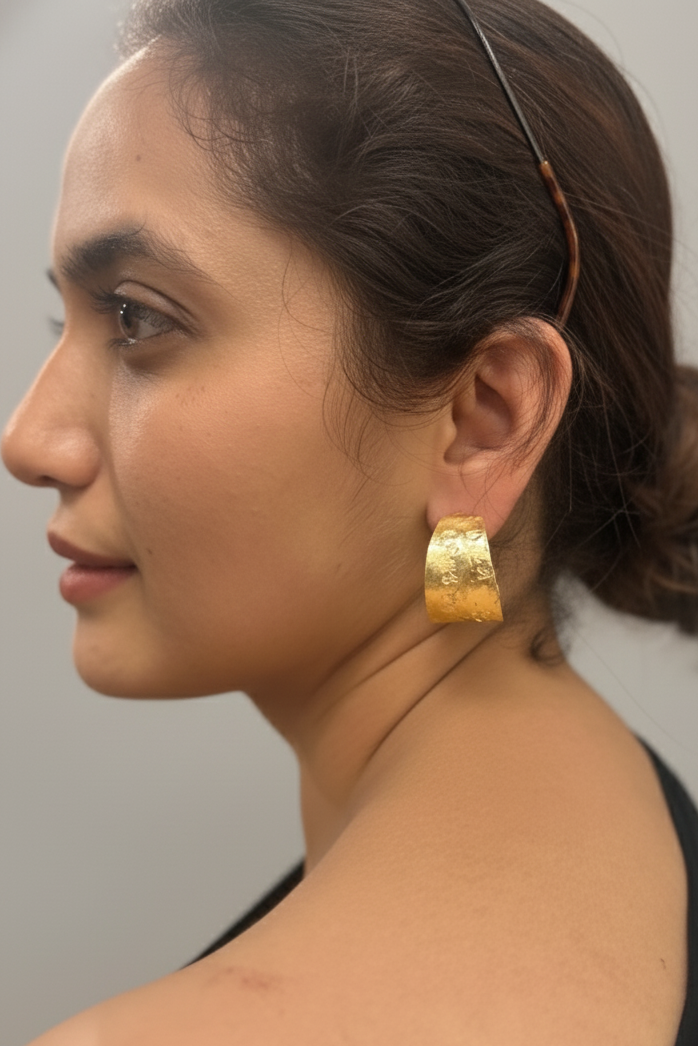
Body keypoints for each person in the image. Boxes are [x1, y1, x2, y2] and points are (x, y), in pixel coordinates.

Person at [2, 0, 698, 1041]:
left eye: (138, 318)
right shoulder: (628, 818)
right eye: (67, 319)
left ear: (483, 423)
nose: (29, 440)